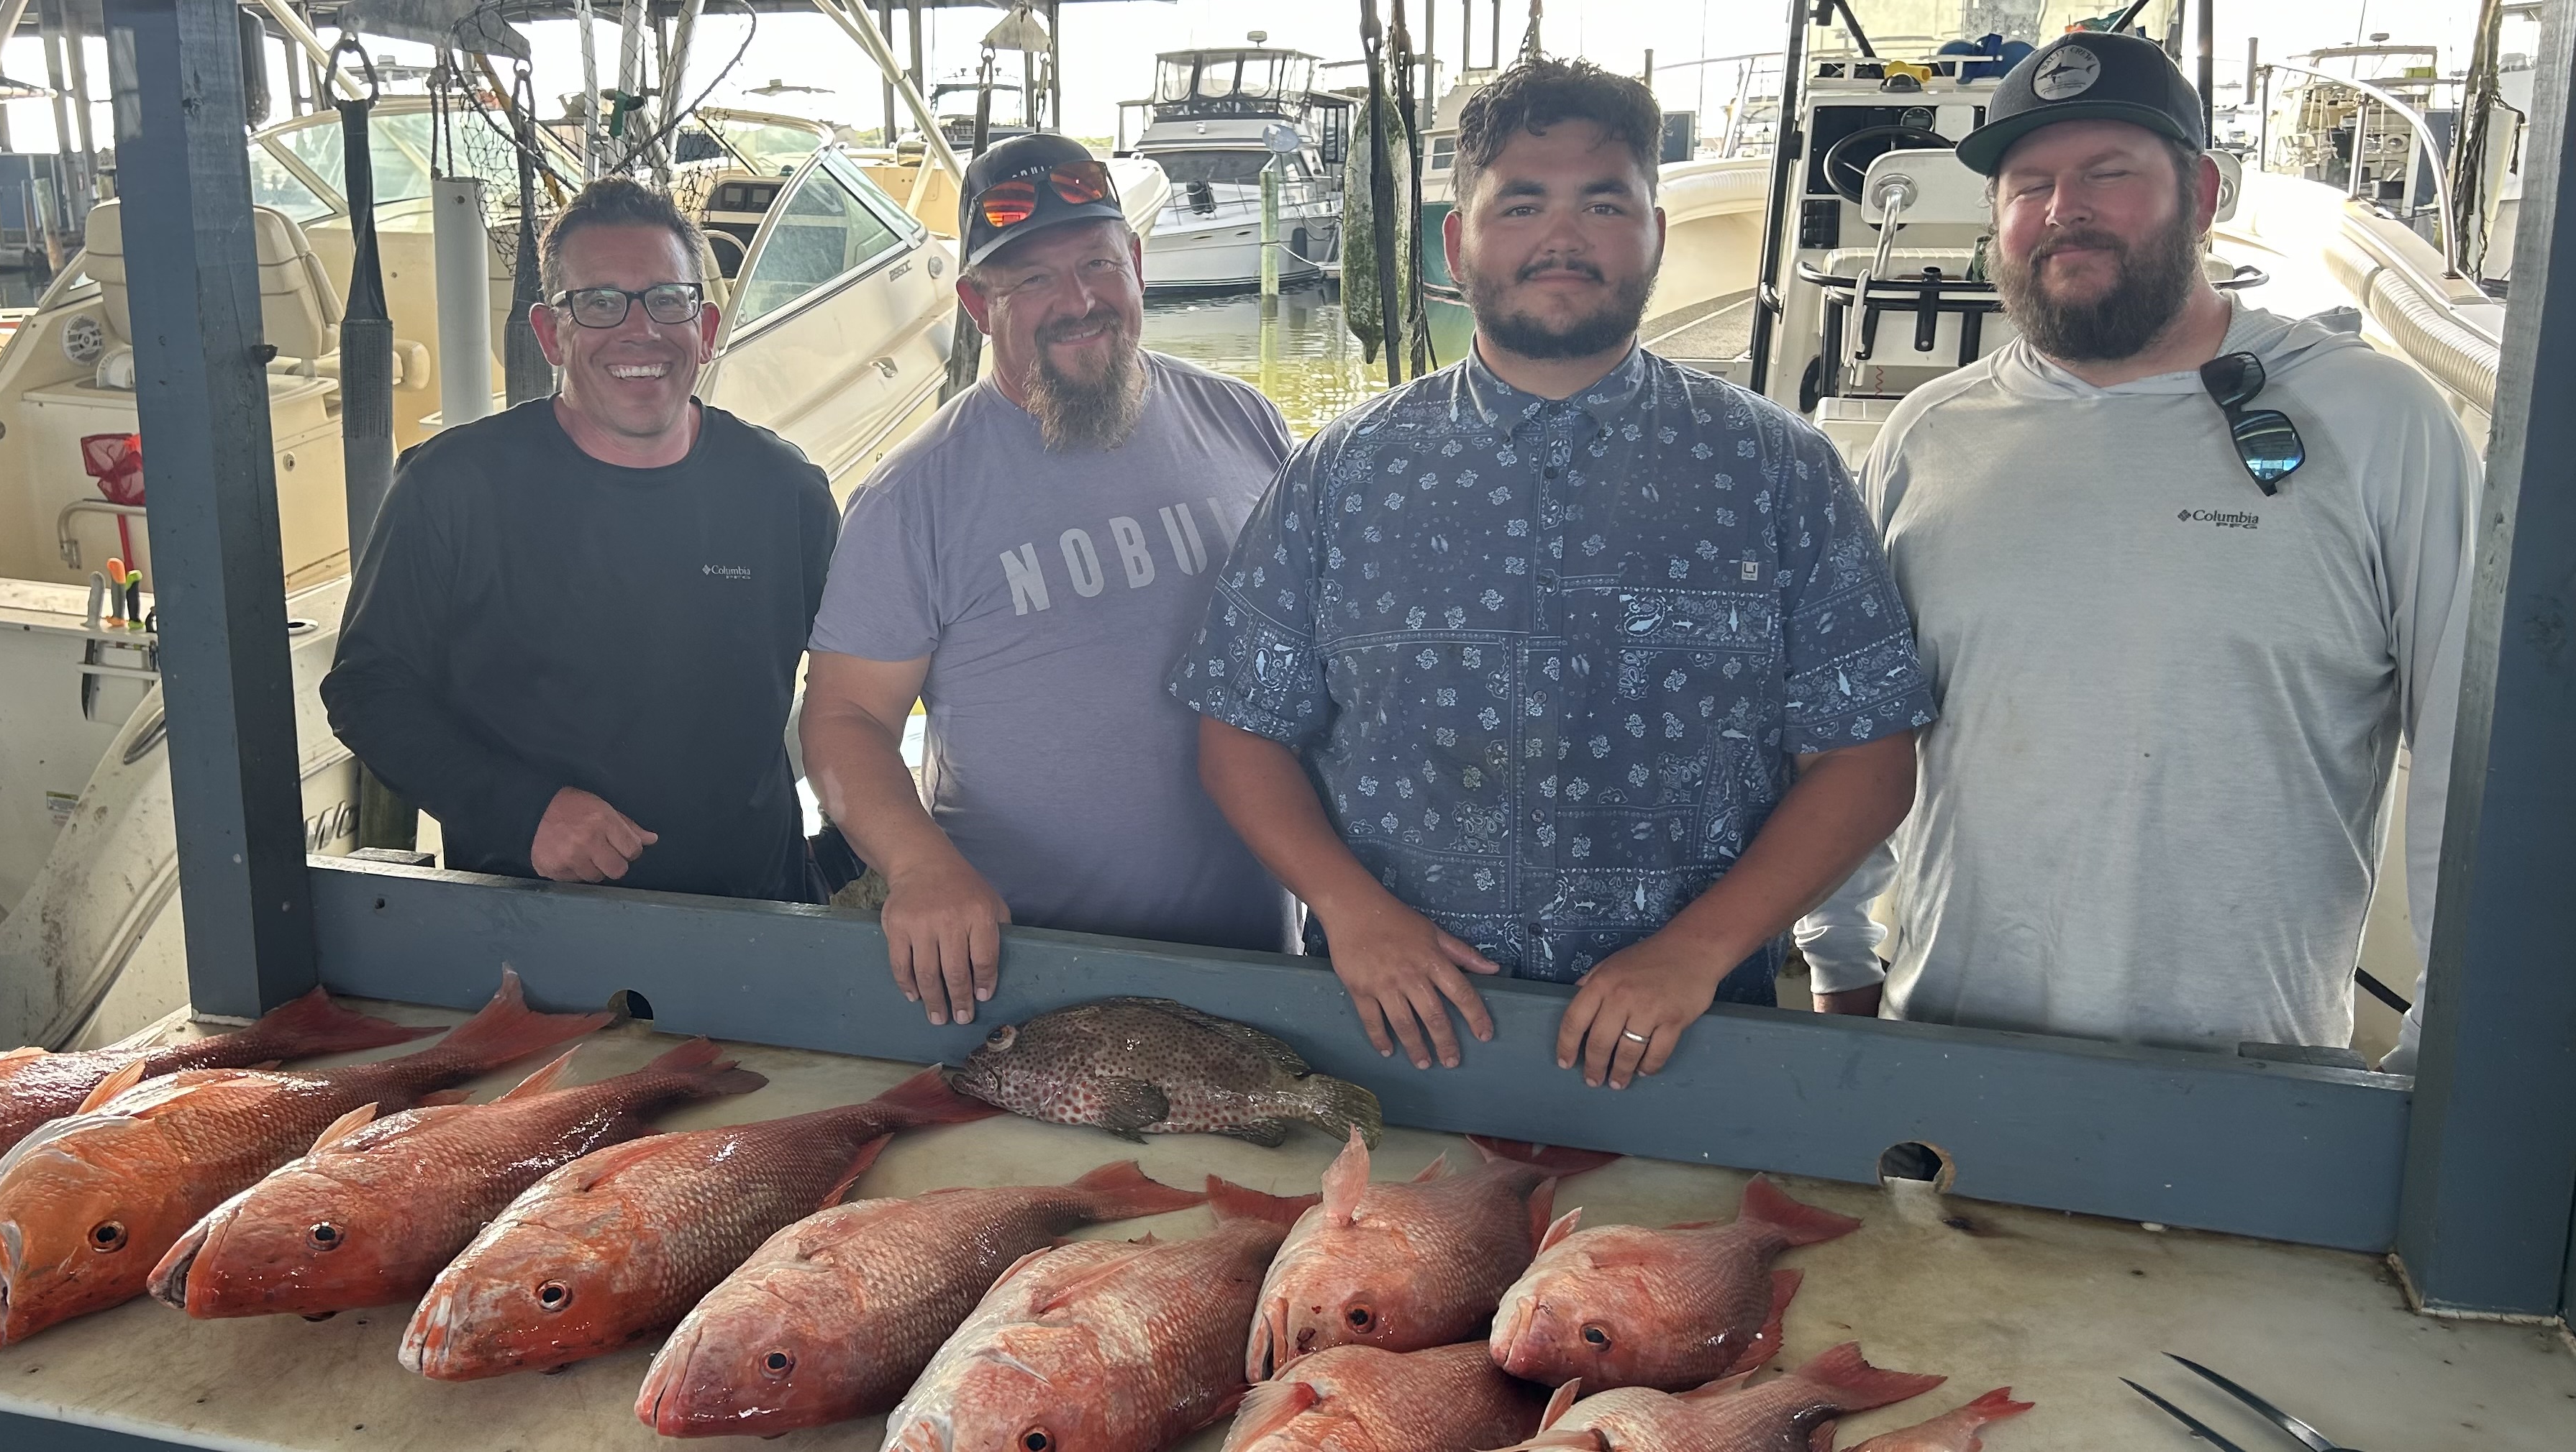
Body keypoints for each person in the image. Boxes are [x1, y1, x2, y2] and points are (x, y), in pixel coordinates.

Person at [1171, 58, 1936, 1087]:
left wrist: (1699, 949)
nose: (1564, 237)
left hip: (1694, 1042)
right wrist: (1353, 913)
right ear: (1458, 242)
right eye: (1522, 204)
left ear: (1657, 233)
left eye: (1604, 204)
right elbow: (1239, 730)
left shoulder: (1779, 470)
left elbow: (1868, 755)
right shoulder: (1342, 472)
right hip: (1386, 1035)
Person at [1793, 32, 2473, 1070]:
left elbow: (2471, 752)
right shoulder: (1927, 435)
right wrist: (1839, 953)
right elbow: (1857, 730)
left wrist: (2443, 1043)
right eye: (2030, 185)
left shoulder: (2380, 418)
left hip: (2257, 1079)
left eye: (2108, 174)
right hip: (1948, 1052)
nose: (2064, 209)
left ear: (2201, 195)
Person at [799, 133, 1299, 1026]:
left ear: (1137, 262)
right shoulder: (913, 495)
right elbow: (843, 719)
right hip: (1031, 985)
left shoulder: (1246, 421)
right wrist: (919, 866)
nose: (1078, 301)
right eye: (1032, 279)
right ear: (976, 304)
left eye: (1098, 263)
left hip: (1262, 963)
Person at [323, 178, 838, 902]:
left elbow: (863, 687)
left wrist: (844, 856)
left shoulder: (786, 492)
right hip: (525, 919)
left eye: (668, 300)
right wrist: (522, 811)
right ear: (549, 334)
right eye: (599, 303)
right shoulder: (450, 488)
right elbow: (368, 689)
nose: (639, 330)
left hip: (756, 916)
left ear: (706, 327)